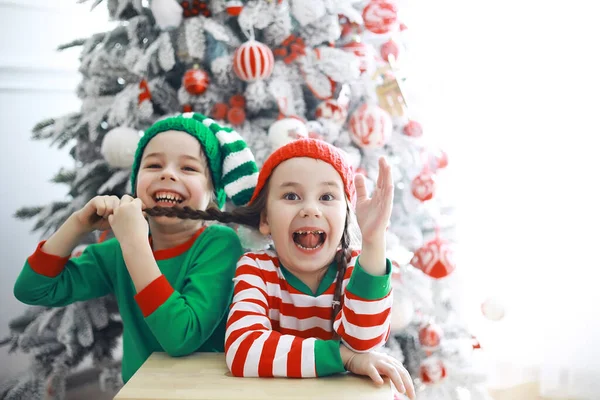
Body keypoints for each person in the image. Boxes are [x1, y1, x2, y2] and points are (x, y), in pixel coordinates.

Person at [13, 112, 259, 383]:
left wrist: (134, 245)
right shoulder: (119, 251)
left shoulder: (220, 243)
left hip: (204, 391)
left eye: (188, 168)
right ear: (136, 182)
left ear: (213, 196)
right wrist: (77, 224)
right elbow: (32, 289)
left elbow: (181, 338)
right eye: (154, 165)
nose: (167, 173)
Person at [158, 139, 414, 398]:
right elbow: (243, 350)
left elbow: (364, 343)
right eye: (291, 196)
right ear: (266, 219)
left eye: (326, 197)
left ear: (346, 217)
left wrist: (373, 242)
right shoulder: (256, 270)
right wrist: (341, 357)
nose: (310, 209)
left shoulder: (355, 269)